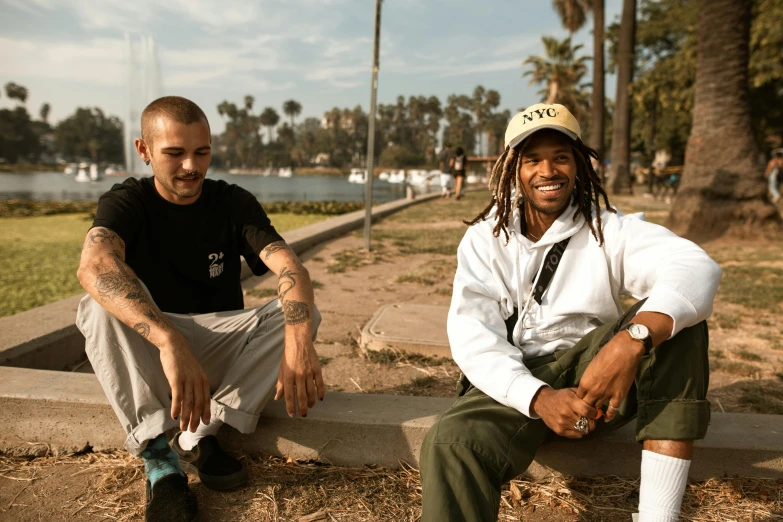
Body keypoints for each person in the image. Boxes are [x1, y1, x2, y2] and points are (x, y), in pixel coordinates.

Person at [419, 103, 722, 522]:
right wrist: (538, 397)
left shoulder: (607, 228)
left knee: (678, 322)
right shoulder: (483, 238)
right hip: (517, 384)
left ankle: (658, 517)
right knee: (450, 443)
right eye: (533, 160)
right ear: (512, 169)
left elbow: (696, 267)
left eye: (561, 157)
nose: (548, 171)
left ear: (578, 164)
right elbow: (474, 337)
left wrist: (630, 342)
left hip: (596, 380)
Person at [75, 96, 325, 522]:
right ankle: (160, 461)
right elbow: (95, 265)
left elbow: (290, 268)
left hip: (219, 347)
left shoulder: (232, 202)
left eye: (201, 152)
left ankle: (200, 433)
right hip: (156, 349)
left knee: (301, 313)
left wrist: (300, 341)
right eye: (175, 153)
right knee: (95, 307)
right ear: (144, 150)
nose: (191, 165)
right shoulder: (128, 201)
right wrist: (168, 340)